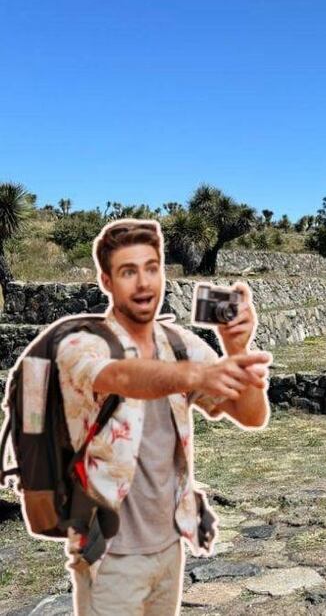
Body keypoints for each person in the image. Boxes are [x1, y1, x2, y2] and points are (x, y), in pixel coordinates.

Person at [52, 219, 271, 615]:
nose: (143, 283)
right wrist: (195, 374)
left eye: (152, 268)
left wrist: (237, 348)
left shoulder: (178, 344)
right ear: (106, 280)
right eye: (128, 271)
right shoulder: (82, 344)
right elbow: (121, 377)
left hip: (169, 545)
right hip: (110, 557)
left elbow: (251, 414)